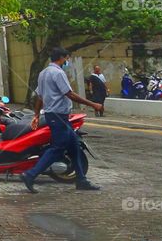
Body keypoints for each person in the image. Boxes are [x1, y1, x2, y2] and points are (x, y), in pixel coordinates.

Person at [20, 47, 104, 193]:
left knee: (75, 147)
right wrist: (93, 104)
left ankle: (81, 180)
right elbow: (69, 94)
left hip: (55, 116)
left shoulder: (43, 73)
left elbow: (39, 96)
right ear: (61, 57)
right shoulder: (58, 73)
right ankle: (30, 174)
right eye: (67, 58)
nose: (67, 61)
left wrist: (36, 115)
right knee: (57, 148)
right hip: (58, 116)